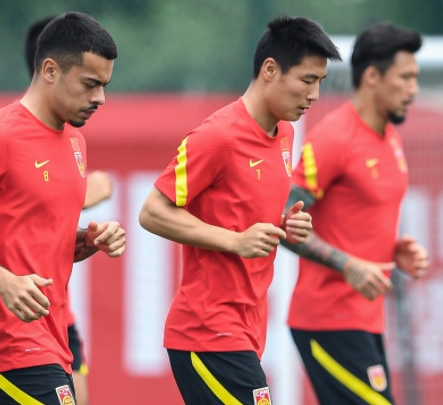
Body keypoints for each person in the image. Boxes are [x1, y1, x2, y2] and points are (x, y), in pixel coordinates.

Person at [0, 12, 125, 404]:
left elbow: (37, 243)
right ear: (50, 70)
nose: (100, 98)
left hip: (51, 339)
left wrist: (88, 240)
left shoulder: (75, 143)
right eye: (90, 84)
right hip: (7, 345)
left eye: (104, 86)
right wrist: (5, 281)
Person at [139, 16, 340, 404]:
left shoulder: (285, 134)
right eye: (307, 80)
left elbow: (242, 213)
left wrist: (286, 224)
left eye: (320, 82)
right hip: (207, 331)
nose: (314, 94)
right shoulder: (218, 135)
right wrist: (235, 241)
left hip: (247, 329)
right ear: (270, 70)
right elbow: (152, 212)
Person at [282, 22, 429, 404]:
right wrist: (348, 265)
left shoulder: (389, 138)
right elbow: (283, 222)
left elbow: (353, 219)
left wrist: (392, 249)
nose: (414, 89)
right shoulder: (334, 138)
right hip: (327, 320)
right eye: (406, 77)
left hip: (365, 319)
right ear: (372, 77)